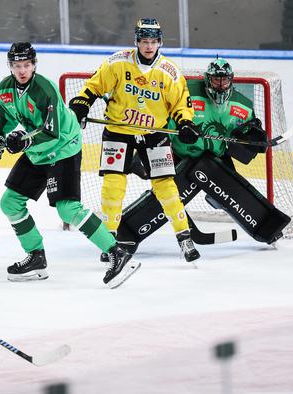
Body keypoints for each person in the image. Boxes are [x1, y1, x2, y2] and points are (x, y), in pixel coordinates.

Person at [0, 42, 138, 288]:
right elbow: (5, 118)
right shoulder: (5, 89)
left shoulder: (44, 89)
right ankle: (36, 257)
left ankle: (117, 252)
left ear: (34, 65)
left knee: (68, 209)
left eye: (26, 65)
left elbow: (51, 131)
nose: (22, 70)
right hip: (36, 151)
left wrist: (22, 142)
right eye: (17, 65)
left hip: (63, 147)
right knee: (10, 202)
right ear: (10, 66)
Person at [115, 57, 291, 249]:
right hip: (178, 153)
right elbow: (158, 118)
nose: (221, 85)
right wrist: (147, 152)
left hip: (214, 156)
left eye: (225, 80)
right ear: (208, 79)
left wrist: (253, 140)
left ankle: (268, 227)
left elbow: (246, 134)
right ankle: (126, 231)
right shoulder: (186, 92)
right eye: (217, 80)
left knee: (231, 189)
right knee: (168, 194)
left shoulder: (243, 105)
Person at [68, 18, 201, 265]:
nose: (149, 46)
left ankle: (185, 238)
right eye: (144, 41)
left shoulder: (169, 72)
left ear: (160, 42)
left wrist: (185, 123)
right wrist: (81, 104)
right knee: (113, 185)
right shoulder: (118, 62)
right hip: (118, 131)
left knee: (165, 186)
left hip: (154, 134)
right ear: (136, 41)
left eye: (153, 41)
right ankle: (108, 241)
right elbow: (94, 86)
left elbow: (181, 105)